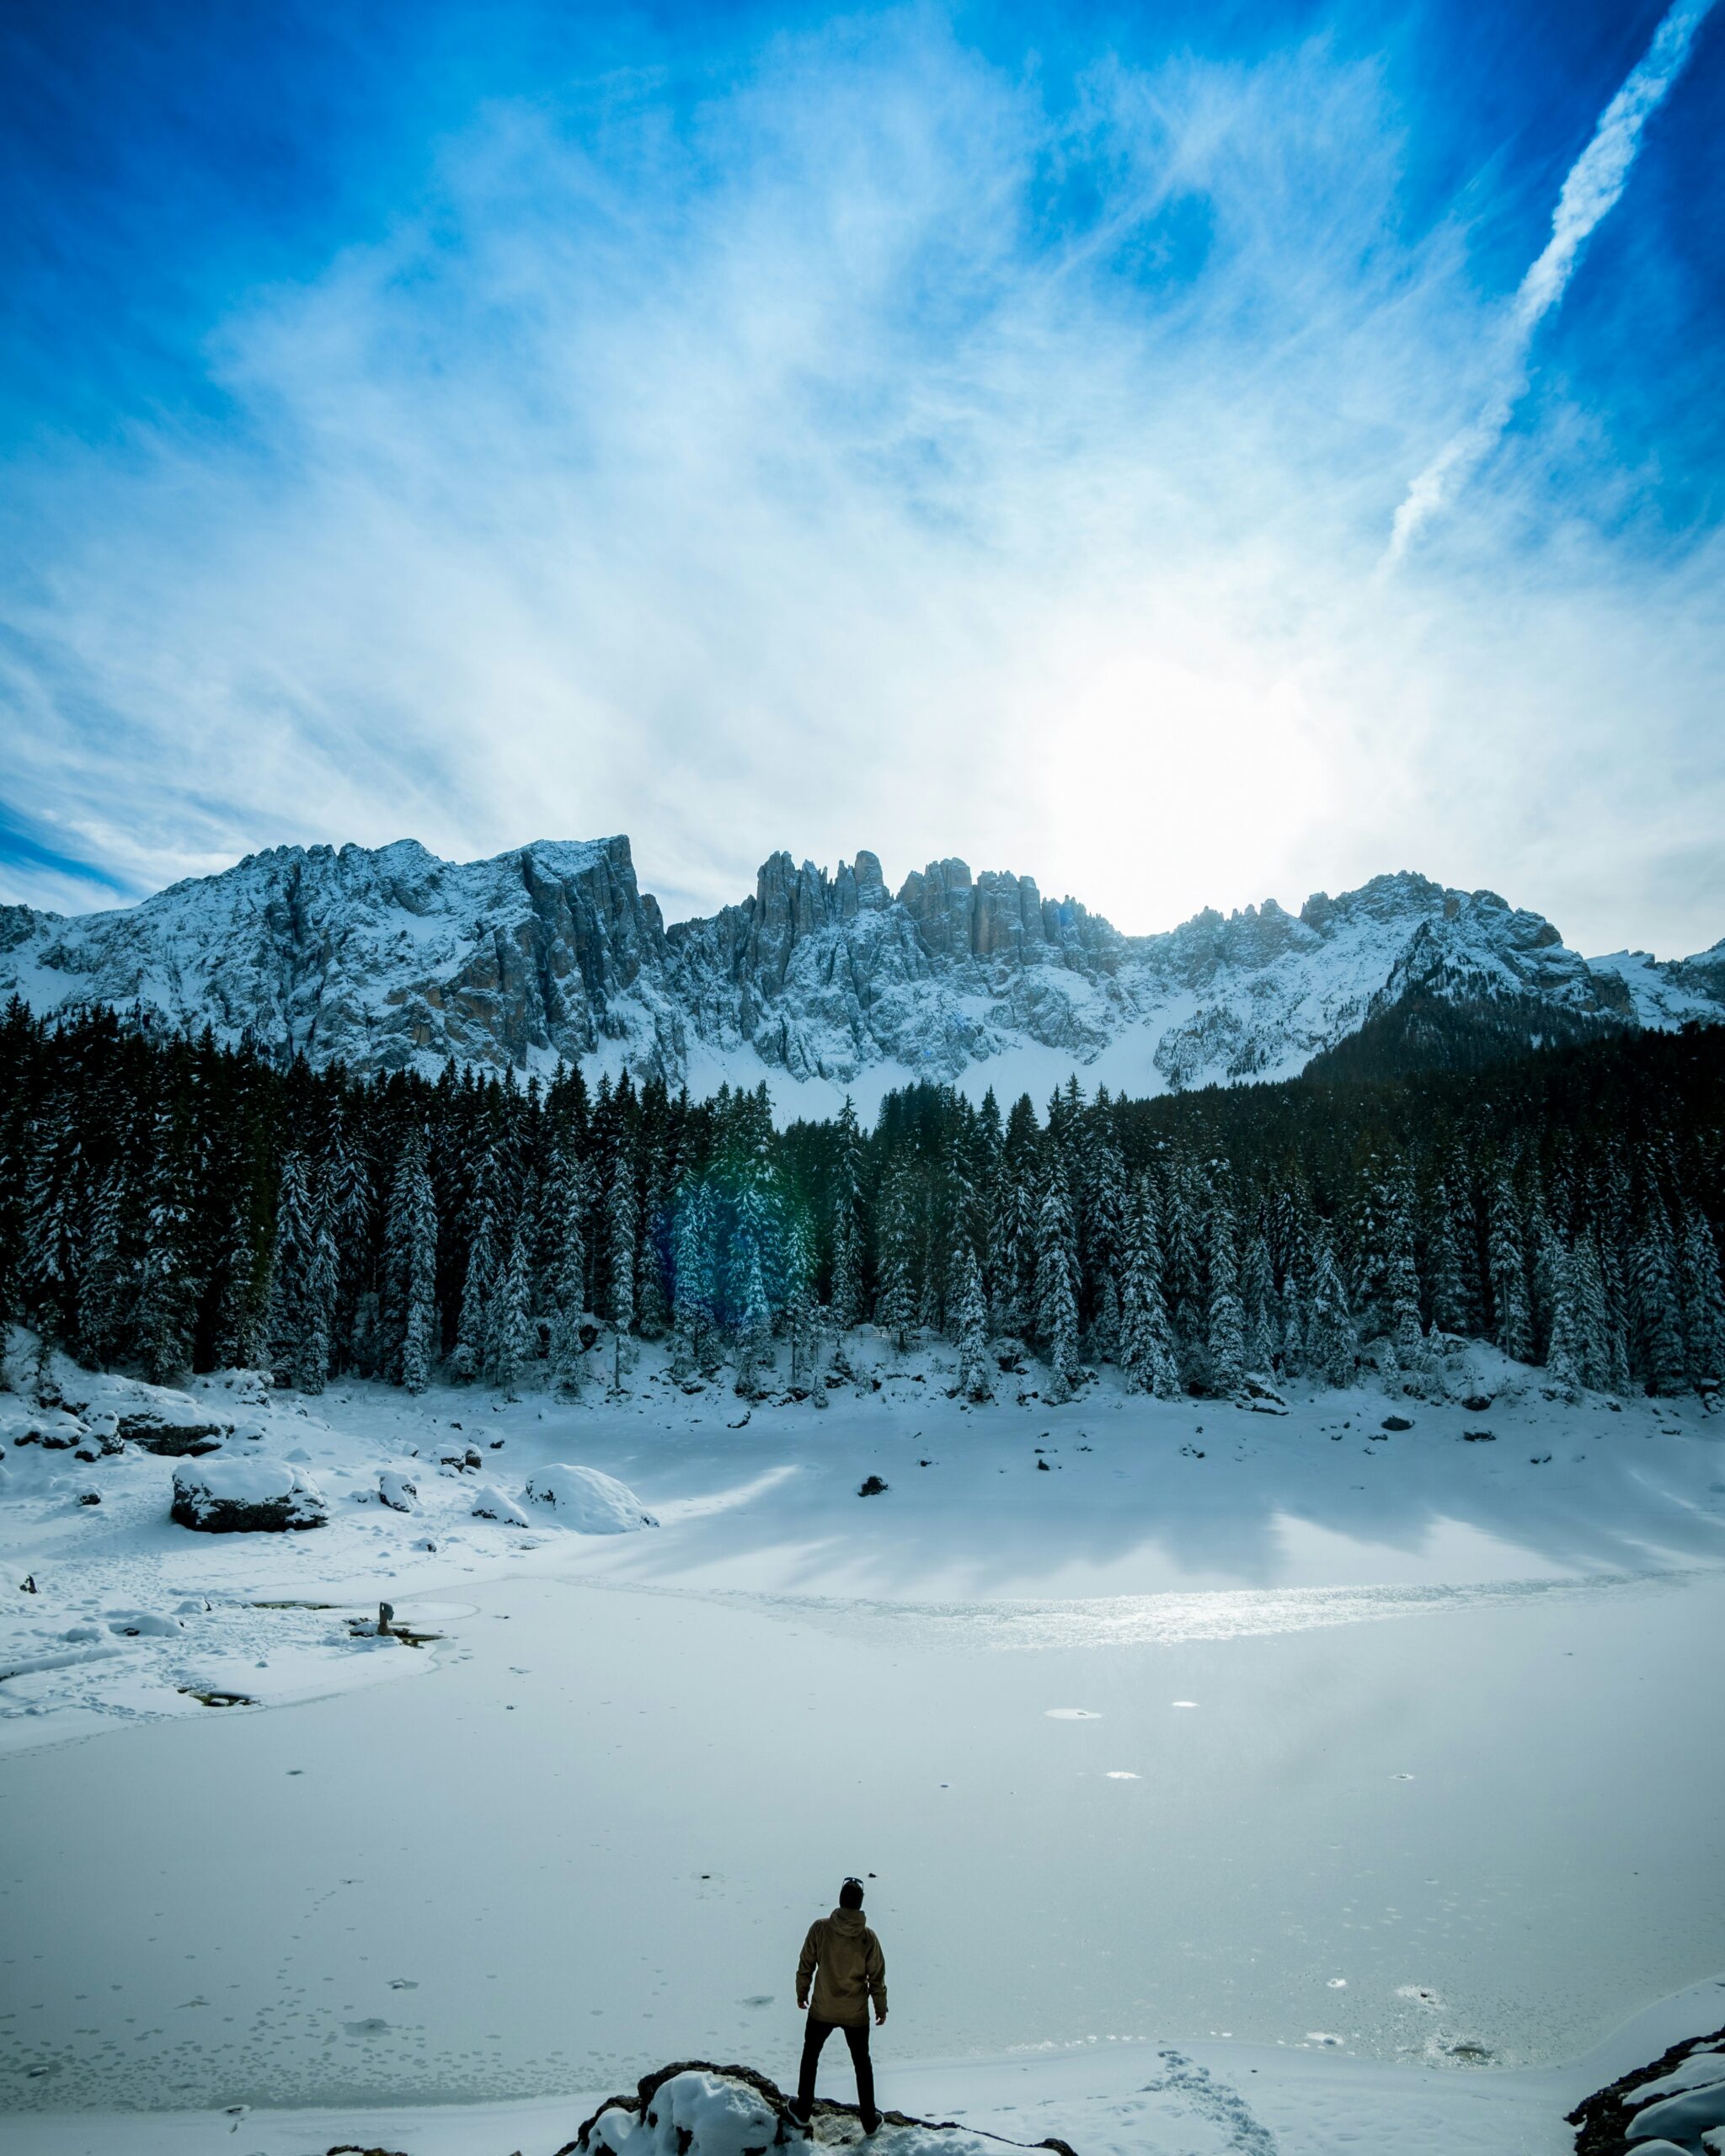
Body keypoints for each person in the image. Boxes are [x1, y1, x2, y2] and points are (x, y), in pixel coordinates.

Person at [790, 1876, 887, 2132]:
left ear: (840, 1900)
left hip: (823, 2008)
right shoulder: (868, 1937)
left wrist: (802, 1992)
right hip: (855, 2013)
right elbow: (876, 1976)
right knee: (862, 2064)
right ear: (860, 1903)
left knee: (811, 2055)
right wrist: (880, 2007)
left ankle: (802, 2110)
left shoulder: (820, 1929)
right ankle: (868, 2120)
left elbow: (806, 1963)